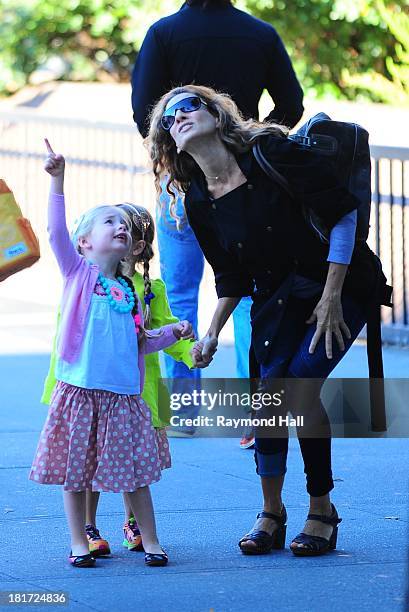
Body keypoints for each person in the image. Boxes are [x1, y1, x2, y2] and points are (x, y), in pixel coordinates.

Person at [145, 85, 390, 556]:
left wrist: (332, 294)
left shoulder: (269, 151)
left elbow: (342, 213)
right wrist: (212, 332)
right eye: (169, 118)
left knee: (299, 385)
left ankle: (321, 510)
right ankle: (271, 511)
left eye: (189, 106)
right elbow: (231, 275)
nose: (179, 117)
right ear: (170, 142)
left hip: (340, 285)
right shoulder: (198, 198)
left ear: (216, 115)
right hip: (276, 300)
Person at [131, 0, 304, 442]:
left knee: (179, 292)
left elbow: (142, 111)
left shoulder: (164, 32)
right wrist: (244, 140)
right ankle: (256, 409)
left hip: (180, 181)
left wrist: (179, 149)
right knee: (254, 293)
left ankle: (185, 409)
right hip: (243, 181)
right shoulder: (260, 33)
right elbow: (292, 103)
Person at [29, 139, 193, 567]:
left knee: (135, 474)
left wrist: (172, 331)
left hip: (123, 397)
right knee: (75, 473)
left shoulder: (130, 293)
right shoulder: (77, 274)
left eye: (124, 224)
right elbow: (53, 231)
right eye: (108, 222)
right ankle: (79, 542)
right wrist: (58, 180)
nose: (119, 227)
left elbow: (142, 343)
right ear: (84, 242)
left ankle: (151, 541)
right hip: (80, 393)